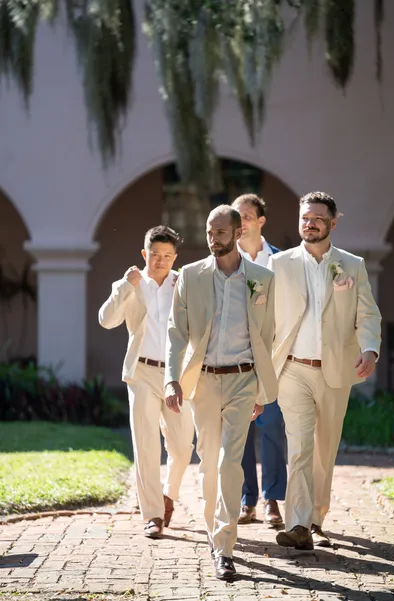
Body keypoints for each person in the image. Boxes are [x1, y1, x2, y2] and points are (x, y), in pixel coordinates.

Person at [164, 205, 278, 581]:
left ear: (238, 232)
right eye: (210, 233)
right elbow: (176, 332)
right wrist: (172, 378)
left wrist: (262, 387)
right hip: (205, 382)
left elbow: (267, 336)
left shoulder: (260, 278)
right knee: (209, 461)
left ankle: (224, 546)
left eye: (220, 232)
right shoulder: (192, 276)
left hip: (244, 380)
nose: (213, 238)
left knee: (232, 461)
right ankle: (216, 531)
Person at [268, 191, 381, 550]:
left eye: (317, 218)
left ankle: (316, 518)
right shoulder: (279, 264)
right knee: (299, 447)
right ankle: (298, 524)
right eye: (304, 217)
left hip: (335, 371)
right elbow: (264, 317)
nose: (309, 223)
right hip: (293, 370)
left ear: (332, 223)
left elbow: (367, 315)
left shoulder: (352, 266)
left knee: (324, 449)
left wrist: (369, 348)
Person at [98, 225, 194, 539]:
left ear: (175, 256)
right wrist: (125, 287)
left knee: (181, 446)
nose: (160, 261)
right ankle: (152, 514)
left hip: (177, 375)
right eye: (155, 255)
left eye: (167, 256)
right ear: (144, 254)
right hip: (141, 373)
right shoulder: (130, 284)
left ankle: (169, 493)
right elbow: (106, 320)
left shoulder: (184, 284)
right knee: (146, 445)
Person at [232, 193, 287, 528]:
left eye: (248, 216)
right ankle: (246, 500)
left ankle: (271, 500)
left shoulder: (281, 261)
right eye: (238, 217)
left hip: (272, 358)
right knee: (239, 432)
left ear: (261, 220)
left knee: (270, 429)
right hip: (235, 357)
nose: (242, 223)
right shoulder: (225, 260)